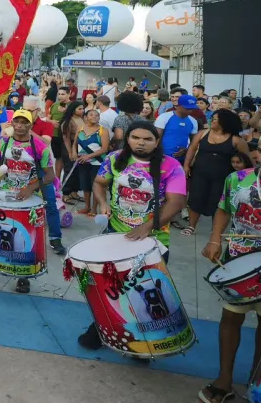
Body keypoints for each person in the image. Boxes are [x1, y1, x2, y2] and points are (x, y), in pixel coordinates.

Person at [77, 120, 187, 350]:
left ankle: (143, 343)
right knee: (109, 288)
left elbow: (176, 202)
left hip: (153, 242)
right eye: (136, 137)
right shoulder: (114, 159)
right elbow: (99, 183)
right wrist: (103, 203)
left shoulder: (171, 166)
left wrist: (147, 227)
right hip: (115, 235)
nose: (141, 143)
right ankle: (101, 329)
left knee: (143, 295)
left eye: (148, 139)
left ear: (157, 142)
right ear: (128, 138)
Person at [199, 131, 261, 403]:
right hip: (237, 264)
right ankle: (224, 380)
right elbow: (223, 208)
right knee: (231, 318)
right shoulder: (238, 178)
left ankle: (256, 381)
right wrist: (214, 239)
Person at [0, 109, 64, 293]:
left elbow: (50, 176)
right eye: (16, 122)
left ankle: (23, 276)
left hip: (30, 200)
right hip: (6, 195)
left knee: (25, 237)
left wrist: (31, 188)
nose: (19, 126)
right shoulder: (3, 141)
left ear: (30, 125)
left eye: (23, 122)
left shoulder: (40, 147)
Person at [181, 109, 249, 237]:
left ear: (225, 121)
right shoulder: (202, 134)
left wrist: (243, 177)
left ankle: (216, 231)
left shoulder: (236, 140)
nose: (213, 120)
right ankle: (191, 226)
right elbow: (191, 149)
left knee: (219, 203)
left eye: (216, 119)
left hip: (223, 177)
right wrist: (186, 166)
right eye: (213, 118)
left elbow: (246, 159)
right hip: (200, 173)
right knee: (196, 199)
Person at [74, 109, 109, 215]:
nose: (94, 117)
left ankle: (94, 209)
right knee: (85, 184)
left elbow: (104, 149)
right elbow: (75, 143)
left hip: (97, 163)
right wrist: (74, 154)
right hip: (82, 162)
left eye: (96, 115)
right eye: (91, 115)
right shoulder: (80, 128)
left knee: (96, 186)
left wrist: (88, 156)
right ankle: (87, 207)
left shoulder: (103, 130)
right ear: (85, 117)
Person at [155, 94, 199, 162]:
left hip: (182, 159)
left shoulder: (193, 121)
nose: (190, 111)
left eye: (192, 108)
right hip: (162, 158)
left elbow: (193, 143)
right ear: (178, 106)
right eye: (187, 108)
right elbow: (157, 138)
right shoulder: (164, 117)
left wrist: (186, 150)